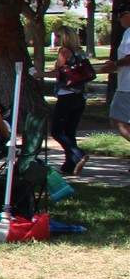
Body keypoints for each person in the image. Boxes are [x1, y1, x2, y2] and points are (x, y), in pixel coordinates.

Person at [51, 28, 89, 175]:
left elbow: (58, 72)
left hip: (66, 95)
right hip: (80, 96)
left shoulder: (65, 51)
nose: (56, 39)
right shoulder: (80, 51)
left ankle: (79, 154)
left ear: (64, 37)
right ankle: (70, 164)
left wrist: (38, 73)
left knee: (57, 131)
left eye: (57, 36)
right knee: (69, 131)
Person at [110, 6, 130, 144]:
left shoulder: (129, 32)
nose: (119, 20)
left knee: (118, 121)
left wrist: (115, 64)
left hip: (127, 86)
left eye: (120, 16)